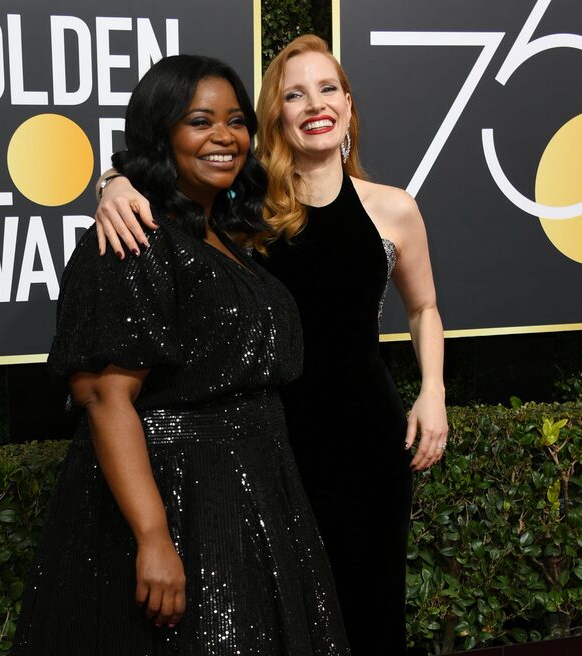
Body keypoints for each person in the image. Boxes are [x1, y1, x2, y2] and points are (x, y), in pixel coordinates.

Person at [92, 35, 448, 655]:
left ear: (349, 104)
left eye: (328, 88)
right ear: (274, 117)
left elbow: (424, 308)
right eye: (295, 93)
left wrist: (433, 393)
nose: (316, 104)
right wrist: (113, 184)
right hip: (270, 446)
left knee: (371, 609)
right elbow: (169, 176)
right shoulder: (243, 205)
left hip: (368, 441)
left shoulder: (394, 209)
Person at [11, 54, 350, 655]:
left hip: (255, 491)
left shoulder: (229, 233)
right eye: (200, 120)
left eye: (237, 120)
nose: (225, 136)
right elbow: (103, 395)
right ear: (161, 133)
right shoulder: (133, 237)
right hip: (180, 497)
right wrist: (152, 535)